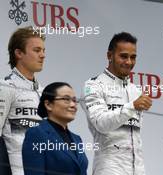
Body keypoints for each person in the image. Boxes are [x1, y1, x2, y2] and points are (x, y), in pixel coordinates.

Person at [81, 32, 152, 175]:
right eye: (123, 56)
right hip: (109, 167)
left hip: (138, 169)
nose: (129, 62)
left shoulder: (135, 91)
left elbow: (136, 137)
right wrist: (132, 106)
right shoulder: (93, 85)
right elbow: (101, 124)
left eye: (133, 57)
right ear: (109, 56)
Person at [0, 26, 45, 175]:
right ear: (19, 53)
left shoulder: (44, 92)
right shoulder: (5, 87)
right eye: (37, 50)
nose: (43, 55)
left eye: (43, 50)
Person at [22, 82, 88, 175]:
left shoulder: (77, 139)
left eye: (74, 100)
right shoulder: (36, 134)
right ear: (48, 104)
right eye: (66, 99)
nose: (73, 105)